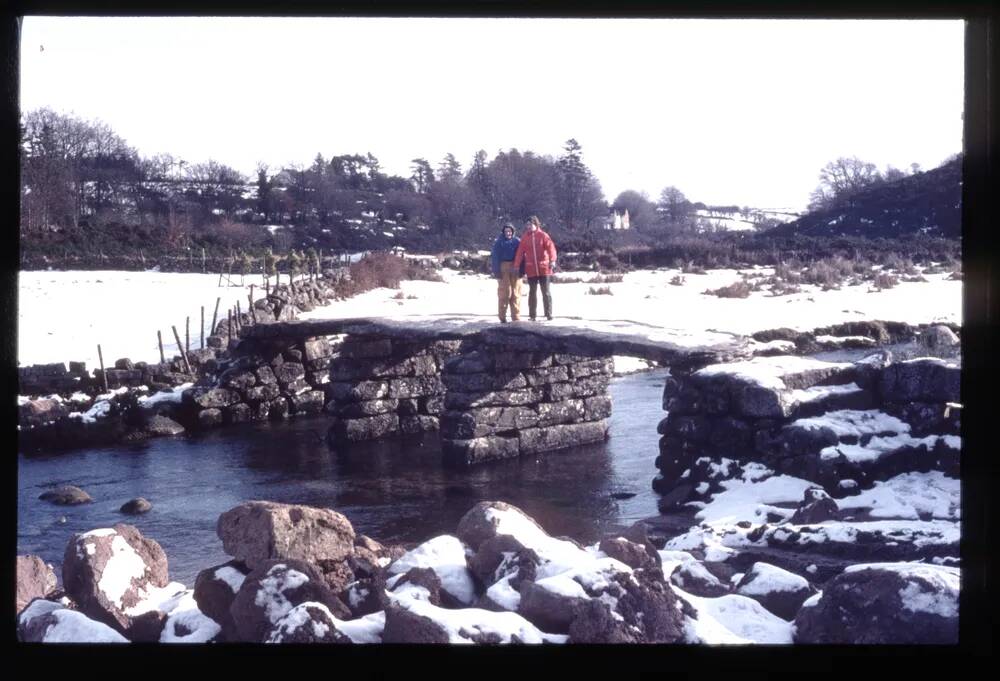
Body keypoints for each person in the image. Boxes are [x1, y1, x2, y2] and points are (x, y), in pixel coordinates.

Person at [512, 215, 557, 321]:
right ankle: (532, 315)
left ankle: (548, 313)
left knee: (546, 292)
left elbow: (551, 248)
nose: (528, 226)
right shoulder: (524, 237)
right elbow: (519, 253)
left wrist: (553, 260)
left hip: (544, 268)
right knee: (532, 292)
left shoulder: (543, 235)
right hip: (531, 269)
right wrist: (516, 266)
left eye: (530, 224)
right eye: (527, 224)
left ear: (536, 224)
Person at [490, 223, 522, 323]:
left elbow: (522, 256)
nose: (508, 233)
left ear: (513, 232)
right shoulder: (499, 242)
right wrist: (497, 272)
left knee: (516, 293)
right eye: (506, 231)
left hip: (515, 267)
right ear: (503, 232)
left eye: (510, 231)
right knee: (505, 293)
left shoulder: (517, 241)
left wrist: (522, 270)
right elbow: (495, 258)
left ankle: (515, 317)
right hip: (503, 267)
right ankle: (502, 316)